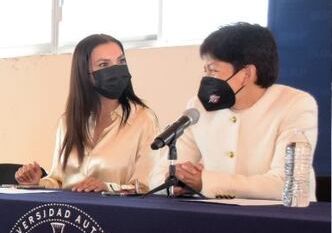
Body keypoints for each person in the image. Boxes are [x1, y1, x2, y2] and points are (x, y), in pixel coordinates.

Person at [151, 22, 318, 199]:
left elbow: (286, 183)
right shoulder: (199, 108)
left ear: (247, 74)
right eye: (205, 70)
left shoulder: (295, 104)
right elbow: (156, 176)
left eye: (213, 70)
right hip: (216, 217)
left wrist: (203, 182)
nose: (206, 79)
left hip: (283, 219)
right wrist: (174, 180)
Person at [16, 34, 158, 192]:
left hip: (117, 213)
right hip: (73, 214)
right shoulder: (68, 121)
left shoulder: (143, 119)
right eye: (104, 64)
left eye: (121, 61)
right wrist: (38, 182)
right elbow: (60, 181)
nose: (116, 70)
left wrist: (108, 188)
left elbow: (146, 187)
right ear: (84, 73)